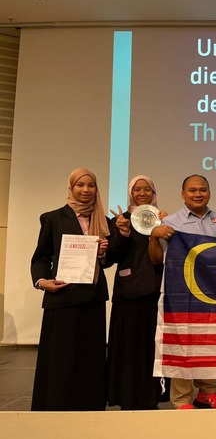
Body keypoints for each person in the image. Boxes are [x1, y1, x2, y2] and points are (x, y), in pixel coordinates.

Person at [30, 168, 110, 411]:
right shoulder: (53, 218)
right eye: (80, 185)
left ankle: (90, 405)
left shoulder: (103, 220)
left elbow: (109, 260)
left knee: (91, 356)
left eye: (91, 186)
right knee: (60, 357)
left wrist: (105, 253)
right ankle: (56, 405)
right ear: (71, 187)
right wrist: (42, 281)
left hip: (92, 296)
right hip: (62, 295)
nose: (86, 190)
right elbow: (40, 257)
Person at [149, 174, 216, 410]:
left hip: (211, 293)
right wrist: (154, 236)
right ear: (183, 194)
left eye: (202, 190)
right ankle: (182, 398)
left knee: (210, 342)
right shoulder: (171, 222)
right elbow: (155, 259)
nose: (198, 194)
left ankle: (207, 391)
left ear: (209, 192)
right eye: (192, 190)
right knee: (182, 343)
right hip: (181, 294)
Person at [105, 175, 167, 410]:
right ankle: (126, 397)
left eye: (147, 189)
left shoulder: (161, 219)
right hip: (129, 295)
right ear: (130, 193)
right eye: (137, 189)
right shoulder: (120, 220)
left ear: (153, 192)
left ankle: (152, 396)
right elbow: (110, 259)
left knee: (152, 350)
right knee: (128, 350)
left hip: (156, 293)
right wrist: (122, 233)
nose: (142, 193)